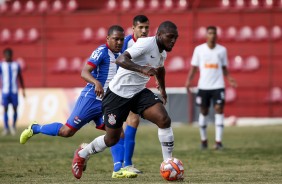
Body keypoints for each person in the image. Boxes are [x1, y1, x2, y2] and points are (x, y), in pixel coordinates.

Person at [71, 21, 179, 179]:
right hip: (117, 95)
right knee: (112, 138)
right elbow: (121, 59)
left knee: (163, 119)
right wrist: (142, 69)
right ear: (159, 35)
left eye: (175, 38)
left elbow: (160, 69)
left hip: (138, 93)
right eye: (170, 37)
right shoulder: (146, 44)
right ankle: (82, 154)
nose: (173, 41)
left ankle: (168, 164)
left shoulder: (162, 52)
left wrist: (162, 89)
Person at [185, 26, 237, 150]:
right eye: (210, 33)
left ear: (216, 35)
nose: (212, 35)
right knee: (204, 111)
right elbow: (194, 67)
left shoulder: (222, 50)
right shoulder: (199, 50)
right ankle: (204, 140)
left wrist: (229, 78)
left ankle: (218, 142)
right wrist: (188, 81)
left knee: (219, 109)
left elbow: (224, 67)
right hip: (204, 86)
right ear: (206, 35)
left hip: (218, 85)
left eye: (214, 33)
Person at [110, 14, 150, 174]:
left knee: (133, 121)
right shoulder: (125, 42)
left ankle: (127, 164)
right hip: (118, 90)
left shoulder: (149, 44)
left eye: (146, 27)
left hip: (135, 89)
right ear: (133, 28)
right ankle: (118, 165)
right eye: (140, 27)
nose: (144, 30)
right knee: (116, 129)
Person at [0, 48, 25, 136]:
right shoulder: (1, 65)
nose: (7, 56)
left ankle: (13, 126)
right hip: (5, 91)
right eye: (6, 55)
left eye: (9, 55)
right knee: (5, 109)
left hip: (14, 91)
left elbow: (20, 77)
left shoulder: (16, 65)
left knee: (15, 109)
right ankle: (6, 128)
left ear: (11, 55)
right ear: (4, 55)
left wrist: (23, 90)